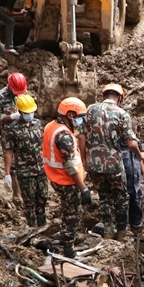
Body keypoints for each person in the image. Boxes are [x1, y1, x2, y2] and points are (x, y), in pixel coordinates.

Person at [84, 84, 144, 238]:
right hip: (113, 165)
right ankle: (121, 231)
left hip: (94, 164)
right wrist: (140, 155)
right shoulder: (122, 114)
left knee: (104, 197)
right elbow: (131, 143)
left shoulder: (91, 109)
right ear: (120, 98)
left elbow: (81, 136)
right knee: (122, 197)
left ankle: (107, 231)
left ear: (103, 95)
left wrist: (84, 158)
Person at [43, 97, 92, 258]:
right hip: (68, 181)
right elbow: (70, 165)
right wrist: (83, 188)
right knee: (73, 213)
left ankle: (67, 236)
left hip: (56, 178)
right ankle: (69, 247)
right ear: (70, 115)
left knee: (67, 209)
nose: (81, 120)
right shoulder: (64, 136)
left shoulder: (51, 126)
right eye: (80, 116)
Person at [2, 94, 49, 228]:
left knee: (42, 200)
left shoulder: (37, 124)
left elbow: (43, 145)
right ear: (20, 112)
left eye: (32, 112)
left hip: (40, 170)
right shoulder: (12, 129)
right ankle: (33, 231)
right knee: (30, 204)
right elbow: (9, 152)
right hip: (25, 172)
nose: (30, 115)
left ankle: (43, 228)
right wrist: (7, 174)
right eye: (27, 112)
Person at [0, 72, 30, 201]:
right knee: (13, 164)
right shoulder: (1, 96)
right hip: (8, 133)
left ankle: (26, 189)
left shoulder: (24, 92)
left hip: (23, 132)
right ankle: (17, 194)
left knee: (25, 160)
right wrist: (11, 117)